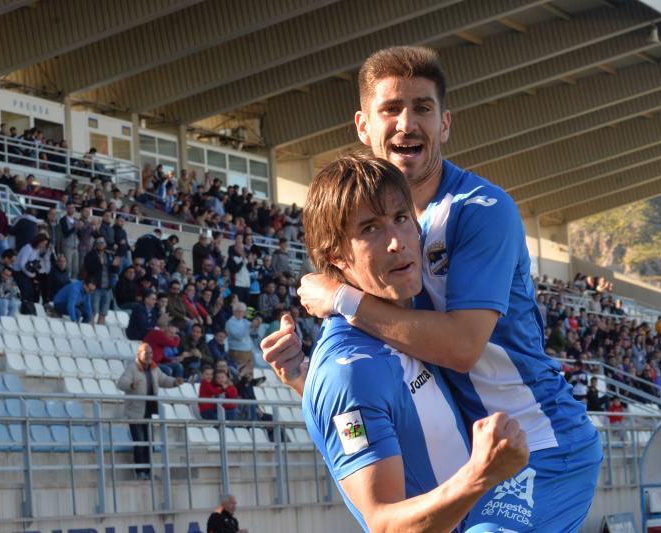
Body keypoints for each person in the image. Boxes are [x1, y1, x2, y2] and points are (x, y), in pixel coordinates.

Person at [263, 46, 600, 531]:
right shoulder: (369, 238)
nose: (407, 123)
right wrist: (306, 378)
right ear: (363, 127)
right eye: (391, 109)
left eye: (422, 107)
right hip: (475, 452)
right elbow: (383, 384)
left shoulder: (480, 209)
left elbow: (462, 347)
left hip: (539, 442)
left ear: (444, 124)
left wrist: (341, 299)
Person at [271, 156, 529, 531]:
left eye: (401, 218)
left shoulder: (410, 325)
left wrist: (302, 380)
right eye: (370, 229)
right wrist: (480, 474)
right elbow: (384, 522)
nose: (396, 241)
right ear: (337, 257)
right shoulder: (348, 371)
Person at [116, 342, 182, 480]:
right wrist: (131, 385)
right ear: (139, 354)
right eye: (146, 353)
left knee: (149, 444)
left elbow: (164, 380)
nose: (149, 356)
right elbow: (121, 383)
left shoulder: (154, 368)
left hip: (148, 411)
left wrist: (175, 382)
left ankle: (148, 472)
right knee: (140, 443)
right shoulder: (132, 368)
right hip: (135, 412)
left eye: (151, 353)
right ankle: (141, 473)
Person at [84, 236, 119, 324]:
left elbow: (113, 271)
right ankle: (90, 328)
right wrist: (98, 263)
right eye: (99, 243)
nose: (101, 245)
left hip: (107, 287)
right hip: (96, 287)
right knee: (93, 311)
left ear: (105, 244)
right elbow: (88, 269)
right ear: (95, 244)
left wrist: (115, 266)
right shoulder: (91, 255)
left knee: (103, 313)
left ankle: (100, 332)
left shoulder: (108, 255)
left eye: (102, 243)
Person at [226, 303, 254, 378]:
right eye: (238, 311)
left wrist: (256, 324)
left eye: (242, 311)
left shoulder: (245, 321)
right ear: (234, 312)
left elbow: (253, 331)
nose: (241, 313)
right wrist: (249, 328)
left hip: (248, 350)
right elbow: (238, 336)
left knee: (248, 371)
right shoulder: (230, 322)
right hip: (237, 350)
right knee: (240, 371)